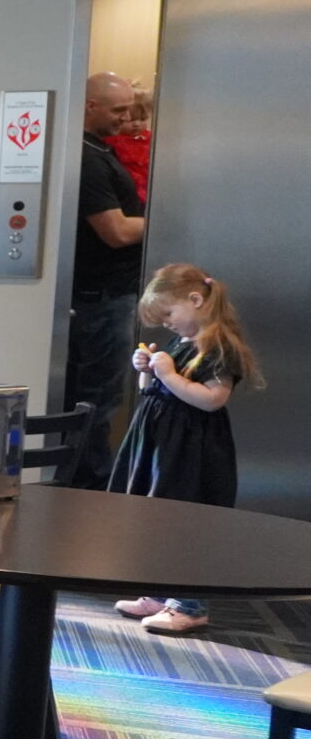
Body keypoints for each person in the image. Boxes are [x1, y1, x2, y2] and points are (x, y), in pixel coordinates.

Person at [109, 263, 256, 635]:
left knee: (187, 523)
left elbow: (212, 400)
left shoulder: (221, 346)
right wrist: (147, 370)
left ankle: (190, 604)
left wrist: (169, 375)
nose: (168, 325)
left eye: (170, 315)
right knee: (159, 517)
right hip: (163, 446)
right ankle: (160, 592)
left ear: (196, 300)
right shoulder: (182, 342)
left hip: (193, 451)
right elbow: (152, 390)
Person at [65, 71, 148, 486]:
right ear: (89, 106)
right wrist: (160, 220)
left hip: (107, 298)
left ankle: (86, 479)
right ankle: (89, 484)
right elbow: (114, 232)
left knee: (98, 397)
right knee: (99, 399)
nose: (127, 117)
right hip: (103, 300)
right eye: (118, 109)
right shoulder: (89, 160)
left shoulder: (97, 151)